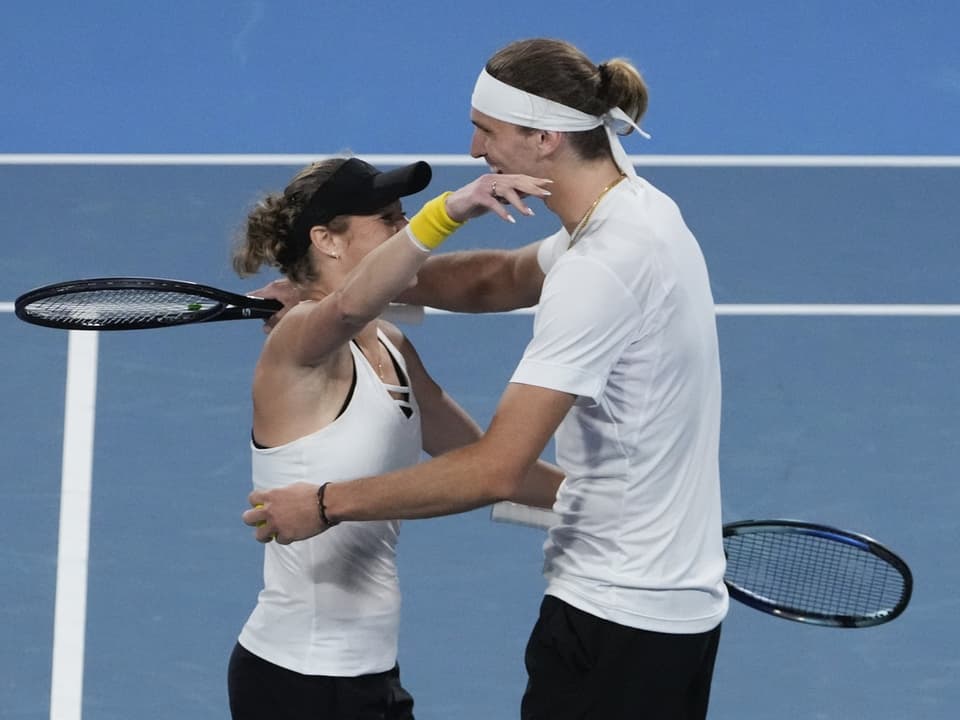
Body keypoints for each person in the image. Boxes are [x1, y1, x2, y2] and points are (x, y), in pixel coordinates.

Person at [245, 37, 728, 720]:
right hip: (655, 609)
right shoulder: (637, 218)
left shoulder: (600, 267)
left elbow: (496, 467)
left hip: (616, 614)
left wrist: (323, 502)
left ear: (543, 137)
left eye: (487, 130)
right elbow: (495, 278)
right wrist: (329, 298)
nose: (474, 149)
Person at [227, 154, 559, 720]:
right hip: (300, 680)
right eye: (388, 220)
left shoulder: (391, 346)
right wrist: (448, 211)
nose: (405, 231)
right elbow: (350, 303)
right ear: (327, 241)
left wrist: (609, 504)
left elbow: (484, 463)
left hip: (368, 678)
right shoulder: (295, 340)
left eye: (406, 217)